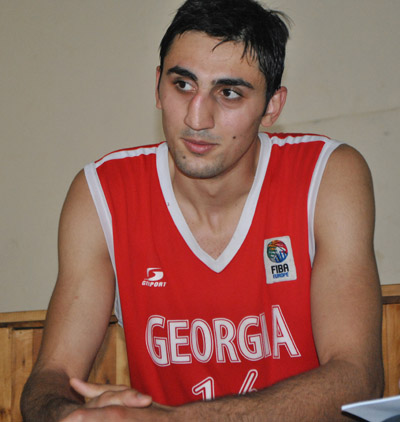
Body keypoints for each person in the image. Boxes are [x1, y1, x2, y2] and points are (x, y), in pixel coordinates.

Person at [20, 0, 384, 420]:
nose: (197, 117)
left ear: (272, 106)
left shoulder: (328, 175)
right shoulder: (101, 193)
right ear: (158, 86)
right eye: (183, 85)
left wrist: (175, 420)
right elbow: (49, 379)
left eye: (228, 93)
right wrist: (70, 417)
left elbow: (359, 379)